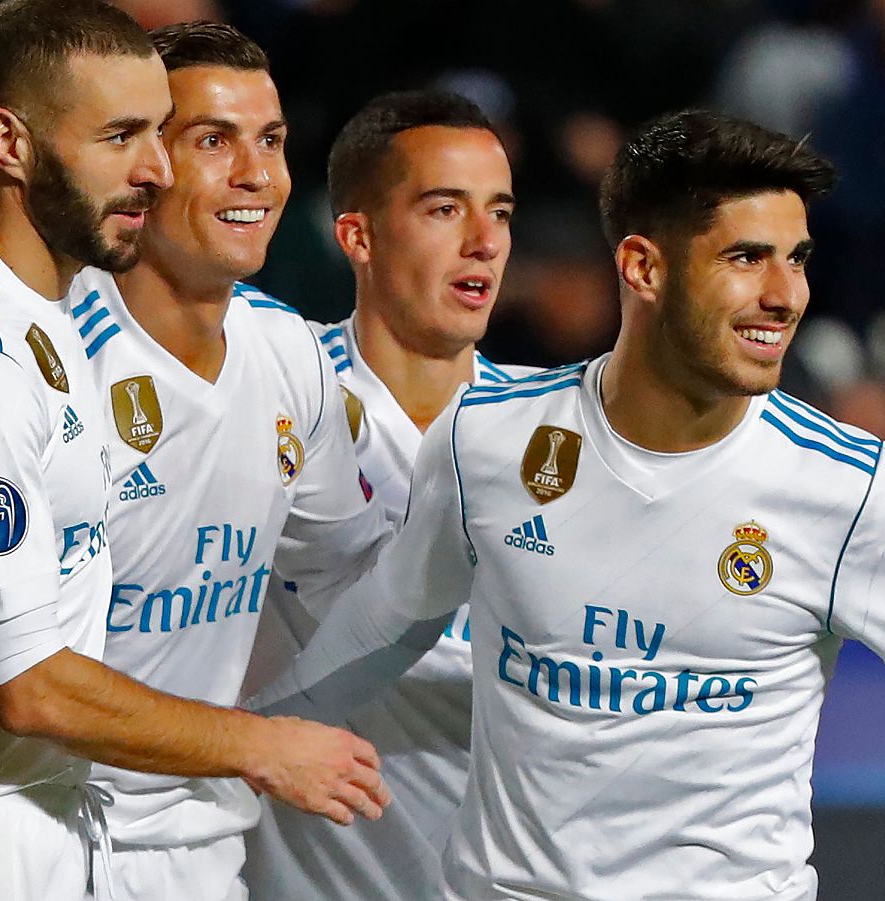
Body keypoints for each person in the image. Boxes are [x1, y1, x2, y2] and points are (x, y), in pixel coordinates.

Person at [251, 110, 885, 900]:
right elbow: (387, 624)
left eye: (797, 257)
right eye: (747, 258)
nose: (785, 294)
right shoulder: (489, 442)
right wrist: (243, 745)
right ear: (643, 267)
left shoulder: (847, 487)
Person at [0, 20, 390, 900]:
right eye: (126, 136)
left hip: (63, 833)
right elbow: (27, 687)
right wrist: (263, 743)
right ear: (8, 141)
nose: (156, 169)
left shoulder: (32, 306)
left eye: (273, 141)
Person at [243, 89, 532, 899]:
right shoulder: (272, 399)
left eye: (500, 213)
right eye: (445, 209)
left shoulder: (561, 435)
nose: (484, 243)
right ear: (357, 235)